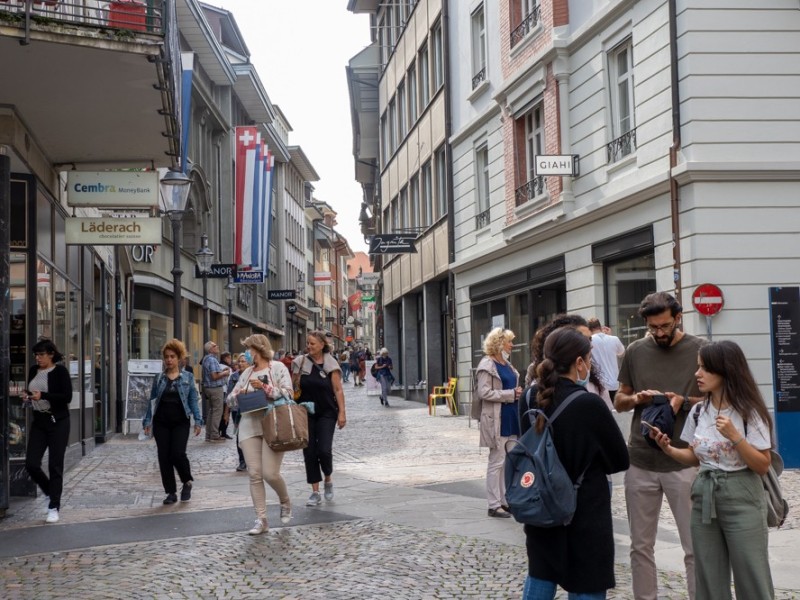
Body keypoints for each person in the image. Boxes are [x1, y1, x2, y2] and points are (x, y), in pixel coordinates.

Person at [651, 341, 774, 600]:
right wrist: (669, 449)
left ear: (726, 371)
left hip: (743, 495)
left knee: (751, 574)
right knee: (707, 574)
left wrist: (735, 436)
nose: (698, 374)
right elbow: (695, 457)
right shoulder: (699, 411)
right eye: (698, 367)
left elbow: (762, 464)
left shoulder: (748, 412)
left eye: (705, 369)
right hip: (704, 494)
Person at [522, 327, 629, 598]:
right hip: (585, 511)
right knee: (587, 582)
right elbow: (619, 459)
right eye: (589, 357)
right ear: (579, 363)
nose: (590, 364)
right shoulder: (589, 404)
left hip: (542, 505)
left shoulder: (530, 397)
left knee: (540, 576)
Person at [614, 291, 706, 600]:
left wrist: (682, 403)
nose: (660, 333)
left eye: (665, 326)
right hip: (640, 459)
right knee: (640, 546)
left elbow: (717, 402)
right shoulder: (636, 351)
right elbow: (620, 400)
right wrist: (636, 398)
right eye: (653, 327)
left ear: (678, 317)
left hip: (684, 459)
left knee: (694, 546)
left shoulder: (700, 350)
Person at [227, 334, 293, 535]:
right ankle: (261, 519)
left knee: (270, 473)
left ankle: (285, 501)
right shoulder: (246, 373)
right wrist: (237, 396)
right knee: (254, 474)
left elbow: (288, 393)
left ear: (259, 349)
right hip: (248, 425)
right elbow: (230, 399)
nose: (247, 353)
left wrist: (264, 387)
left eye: (249, 349)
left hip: (272, 423)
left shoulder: (278, 367)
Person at [142, 339, 204, 505]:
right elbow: (152, 400)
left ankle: (186, 481)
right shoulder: (159, 378)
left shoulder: (188, 378)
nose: (169, 360)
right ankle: (170, 492)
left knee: (177, 453)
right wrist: (147, 422)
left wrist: (198, 421)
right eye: (166, 357)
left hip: (180, 422)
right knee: (164, 457)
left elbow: (193, 401)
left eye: (172, 356)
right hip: (161, 422)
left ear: (179, 358)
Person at [293, 330, 347, 506]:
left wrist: (342, 413)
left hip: (327, 412)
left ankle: (328, 478)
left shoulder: (331, 364)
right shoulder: (299, 363)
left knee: (324, 450)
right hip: (304, 413)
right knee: (309, 451)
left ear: (322, 344)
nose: (309, 346)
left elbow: (338, 390)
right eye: (307, 343)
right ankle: (315, 492)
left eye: (312, 343)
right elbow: (293, 388)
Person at [474, 327, 522, 519]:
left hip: (510, 416)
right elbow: (484, 392)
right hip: (496, 419)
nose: (512, 345)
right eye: (509, 341)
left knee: (507, 462)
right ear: (499, 343)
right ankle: (493, 504)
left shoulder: (506, 364)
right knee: (496, 462)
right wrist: (511, 394)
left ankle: (504, 500)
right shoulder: (487, 365)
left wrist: (516, 393)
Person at [24, 339, 73, 524]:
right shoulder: (33, 371)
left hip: (58, 421)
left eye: (41, 354)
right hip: (39, 421)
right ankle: (49, 492)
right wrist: (28, 397)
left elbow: (66, 397)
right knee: (31, 463)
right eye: (36, 355)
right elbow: (32, 394)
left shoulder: (60, 371)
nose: (38, 358)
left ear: (51, 354)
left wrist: (42, 395)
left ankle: (54, 506)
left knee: (55, 465)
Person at [588, 318, 625, 403]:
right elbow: (621, 353)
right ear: (600, 327)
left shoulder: (589, 341)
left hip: (599, 385)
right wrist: (609, 336)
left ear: (589, 329)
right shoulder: (614, 339)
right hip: (615, 384)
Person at [201, 340, 231, 442]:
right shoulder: (212, 360)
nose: (217, 346)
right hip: (215, 388)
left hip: (209, 388)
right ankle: (214, 434)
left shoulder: (206, 359)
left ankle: (209, 434)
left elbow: (212, 374)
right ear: (211, 349)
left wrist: (221, 371)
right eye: (215, 345)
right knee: (217, 411)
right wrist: (225, 373)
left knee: (212, 411)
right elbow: (214, 376)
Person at [227, 352, 251, 472]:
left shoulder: (253, 375)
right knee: (239, 436)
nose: (240, 364)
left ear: (249, 363)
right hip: (237, 410)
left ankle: (251, 459)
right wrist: (226, 413)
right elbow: (229, 395)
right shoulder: (234, 377)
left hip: (250, 409)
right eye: (239, 362)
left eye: (243, 361)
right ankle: (242, 461)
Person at [218, 351, 234, 439]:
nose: (231, 360)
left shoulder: (218, 366)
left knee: (219, 412)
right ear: (226, 358)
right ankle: (223, 431)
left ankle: (218, 430)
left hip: (219, 390)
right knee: (226, 411)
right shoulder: (228, 368)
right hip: (226, 391)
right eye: (229, 358)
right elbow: (229, 382)